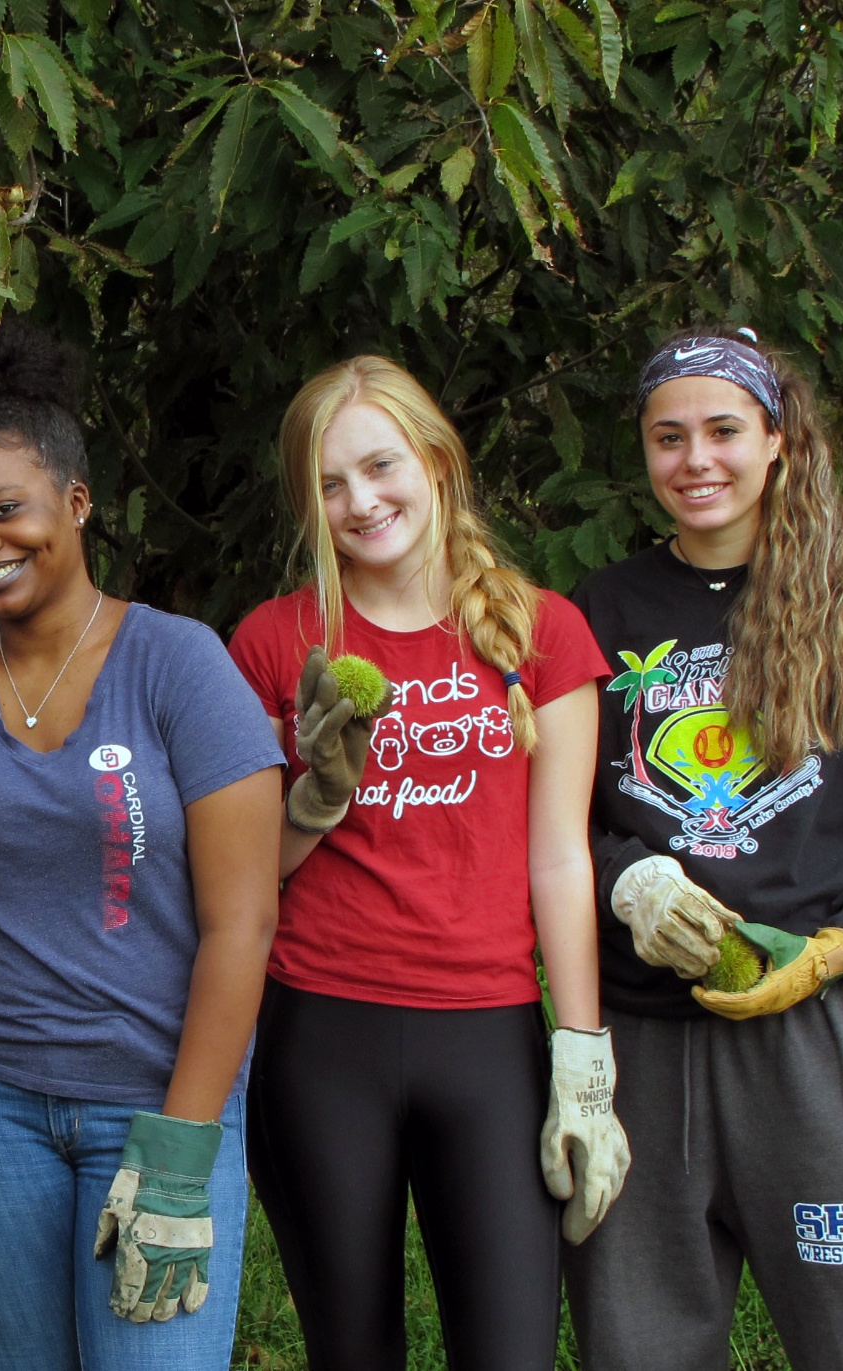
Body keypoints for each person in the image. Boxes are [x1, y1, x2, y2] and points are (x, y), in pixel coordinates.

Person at [0, 324, 281, 1371]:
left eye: (4, 510)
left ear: (77, 504)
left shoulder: (177, 666)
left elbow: (242, 921)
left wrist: (185, 1150)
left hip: (155, 1095)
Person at [226, 355, 630, 1370]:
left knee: (508, 1351)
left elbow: (558, 861)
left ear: (436, 461)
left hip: (486, 1039)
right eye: (328, 484)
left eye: (379, 466)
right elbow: (237, 880)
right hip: (320, 1034)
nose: (360, 502)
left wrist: (580, 1055)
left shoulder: (541, 633)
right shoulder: (275, 645)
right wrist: (313, 800)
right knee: (349, 1348)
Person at [564, 329, 843, 1369]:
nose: (693, 460)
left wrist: (839, 945)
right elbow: (556, 820)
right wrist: (627, 883)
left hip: (814, 1037)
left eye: (720, 431)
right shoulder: (597, 614)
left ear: (775, 441)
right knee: (639, 1345)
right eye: (667, 438)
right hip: (638, 1039)